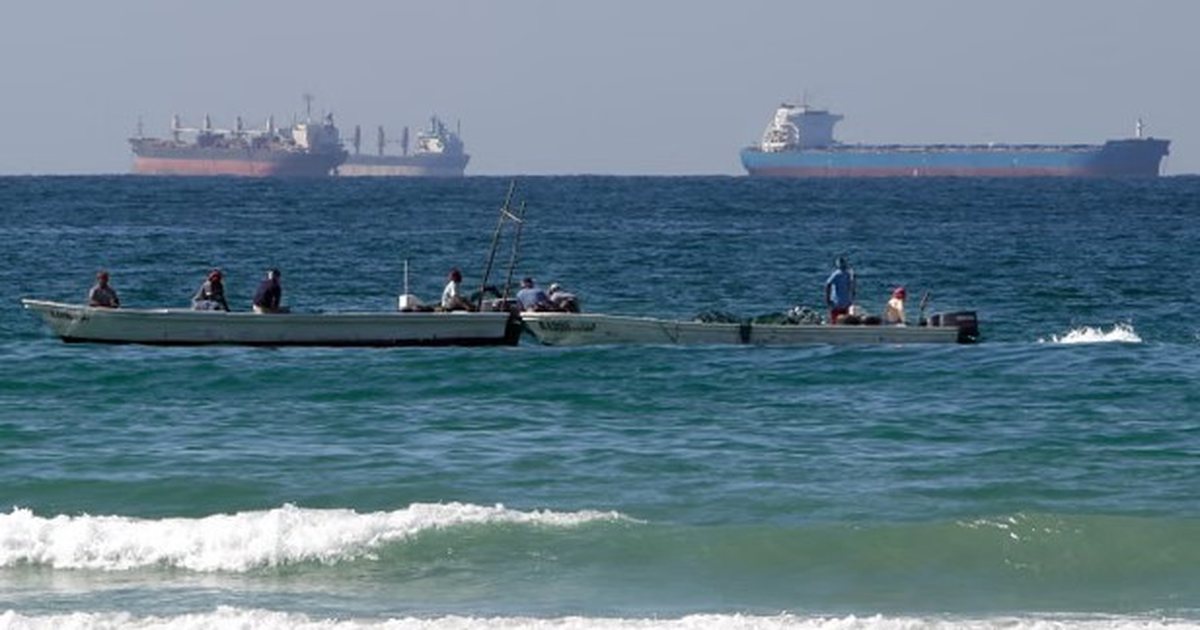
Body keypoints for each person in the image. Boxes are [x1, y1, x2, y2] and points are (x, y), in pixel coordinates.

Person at [823, 256, 856, 324]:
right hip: (846, 301)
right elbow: (852, 286)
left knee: (835, 319)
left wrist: (827, 298)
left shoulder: (836, 274)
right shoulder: (848, 274)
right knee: (844, 320)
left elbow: (828, 284)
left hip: (836, 301)